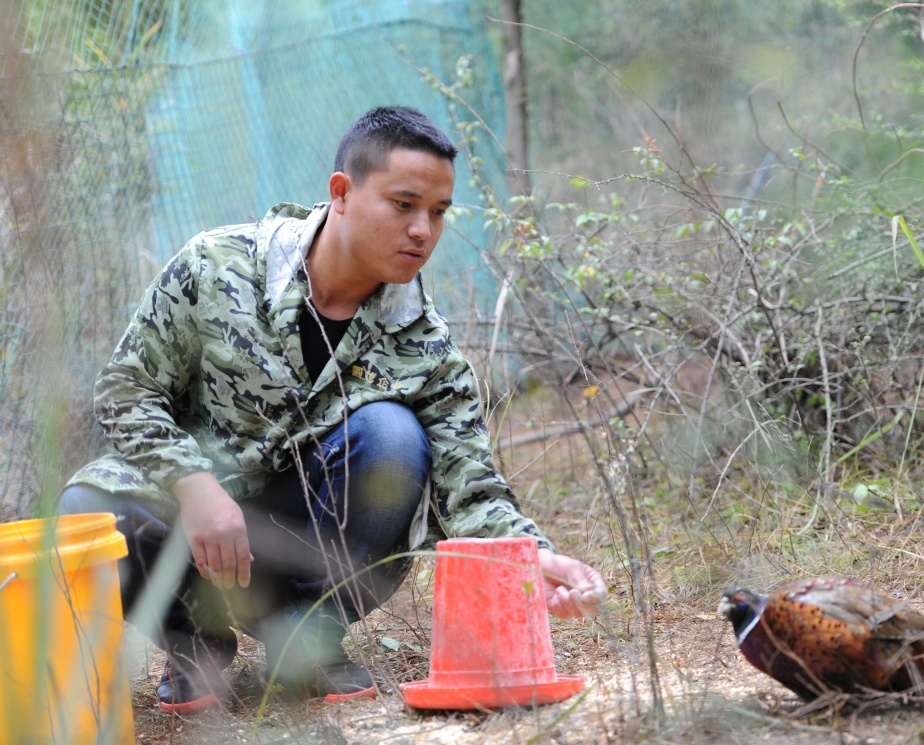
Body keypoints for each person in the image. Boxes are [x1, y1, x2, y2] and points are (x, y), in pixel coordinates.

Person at [58, 105, 607, 713]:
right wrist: (194, 484)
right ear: (341, 193)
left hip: (296, 539)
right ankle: (194, 647)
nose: (423, 230)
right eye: (404, 204)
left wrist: (535, 558)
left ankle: (305, 633)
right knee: (88, 510)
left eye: (439, 211)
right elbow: (126, 390)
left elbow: (470, 482)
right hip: (193, 529)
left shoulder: (422, 343)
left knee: (394, 437)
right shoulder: (215, 267)